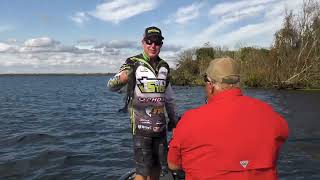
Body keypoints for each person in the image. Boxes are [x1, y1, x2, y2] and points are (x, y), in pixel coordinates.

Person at [167, 57, 289, 180]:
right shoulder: (270, 113)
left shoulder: (189, 120)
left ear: (210, 85)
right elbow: (282, 134)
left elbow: (173, 165)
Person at [107, 26, 178, 180]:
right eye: (149, 41)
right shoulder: (132, 62)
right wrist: (122, 79)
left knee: (157, 168)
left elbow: (169, 97)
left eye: (157, 42)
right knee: (142, 171)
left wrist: (173, 119)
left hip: (160, 128)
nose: (153, 45)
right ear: (143, 42)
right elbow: (111, 86)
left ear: (161, 44)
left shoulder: (164, 66)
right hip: (140, 128)